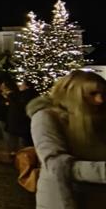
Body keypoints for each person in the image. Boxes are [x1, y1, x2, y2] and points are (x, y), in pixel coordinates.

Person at [28, 70, 106, 209]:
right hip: (65, 198)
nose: (100, 100)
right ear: (71, 93)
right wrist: (102, 172)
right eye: (92, 94)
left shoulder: (99, 118)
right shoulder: (46, 117)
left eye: (104, 94)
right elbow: (56, 164)